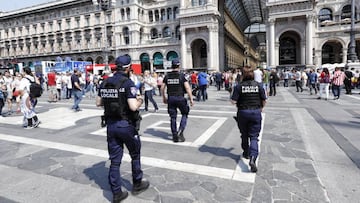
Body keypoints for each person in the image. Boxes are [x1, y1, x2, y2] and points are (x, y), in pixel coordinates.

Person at [96, 55, 149, 203]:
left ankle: (116, 192)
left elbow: (98, 102)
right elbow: (133, 106)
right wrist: (140, 100)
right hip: (126, 125)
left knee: (114, 161)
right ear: (127, 68)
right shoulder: (127, 83)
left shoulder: (105, 81)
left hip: (111, 125)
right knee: (135, 154)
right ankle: (137, 183)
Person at [231, 66, 266, 173]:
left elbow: (233, 101)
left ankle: (246, 152)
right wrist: (260, 108)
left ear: (242, 74)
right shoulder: (259, 85)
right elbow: (264, 99)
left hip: (243, 112)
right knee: (254, 137)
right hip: (256, 112)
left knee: (244, 134)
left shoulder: (238, 86)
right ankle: (252, 158)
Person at [161, 59, 194, 142]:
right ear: (179, 66)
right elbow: (187, 87)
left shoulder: (167, 76)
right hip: (180, 97)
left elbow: (162, 87)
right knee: (185, 113)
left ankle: (174, 135)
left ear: (172, 66)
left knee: (173, 117)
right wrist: (191, 99)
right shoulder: (181, 76)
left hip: (171, 98)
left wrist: (164, 97)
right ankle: (181, 130)